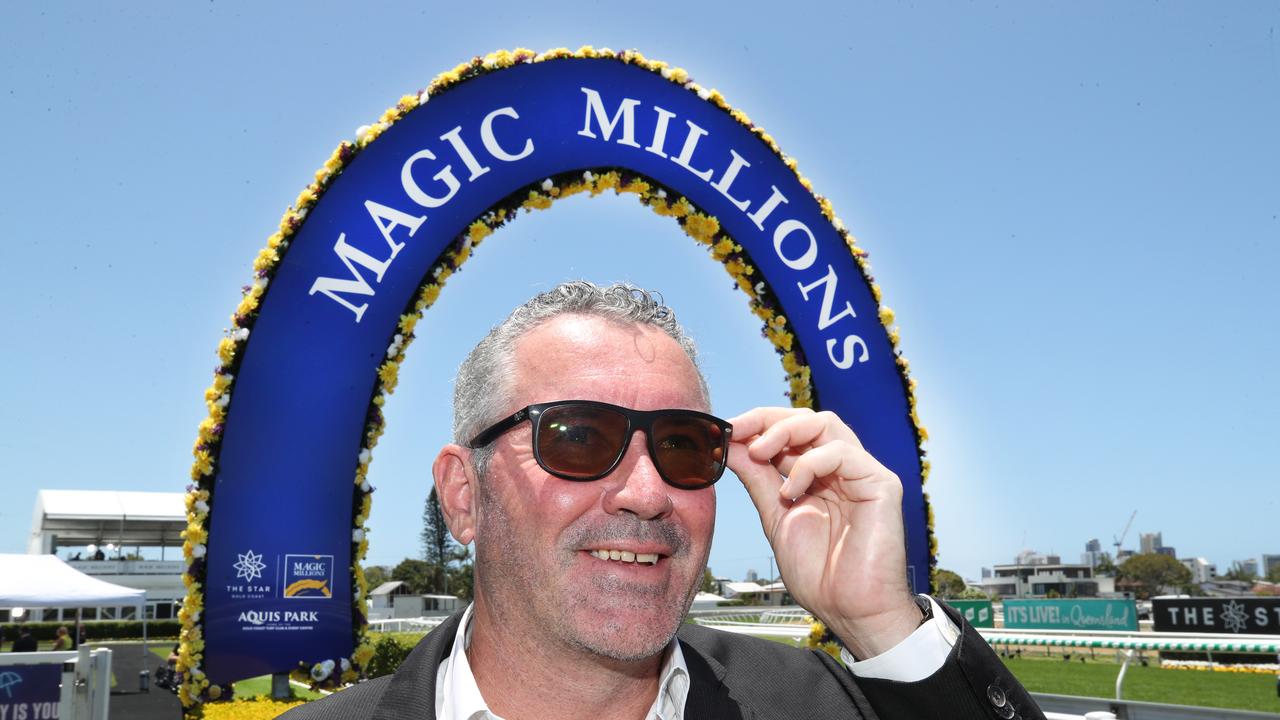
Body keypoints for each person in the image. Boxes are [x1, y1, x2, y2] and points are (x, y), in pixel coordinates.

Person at [284, 282, 1042, 719]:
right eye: (578, 438)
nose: (647, 494)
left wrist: (879, 624)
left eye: (683, 445)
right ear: (463, 494)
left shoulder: (822, 707)